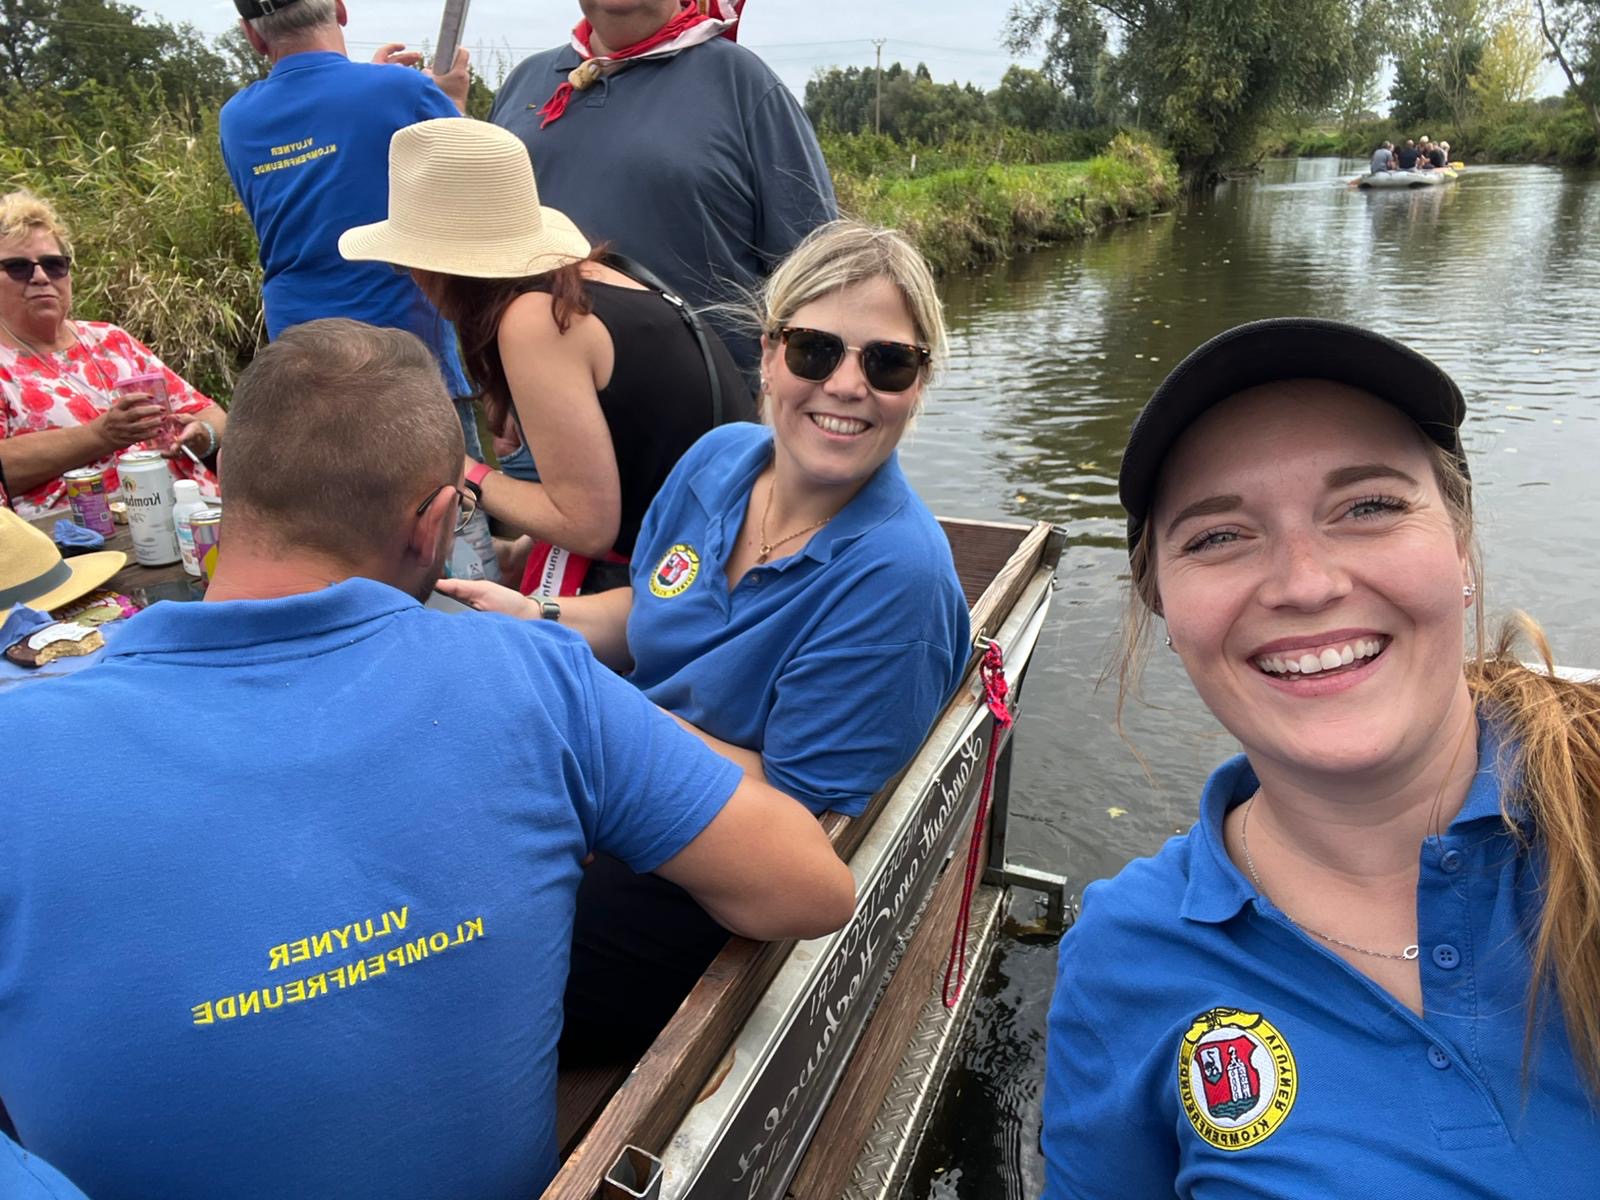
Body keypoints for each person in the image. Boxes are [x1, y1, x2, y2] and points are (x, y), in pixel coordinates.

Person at [0, 318, 855, 1200]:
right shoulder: (533, 680)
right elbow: (811, 888)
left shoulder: (20, 745)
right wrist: (607, 749)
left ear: (226, 492)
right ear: (438, 522)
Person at [1041, 318, 1600, 1198]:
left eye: (1368, 507)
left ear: (1460, 544)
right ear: (1165, 607)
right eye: (1218, 536)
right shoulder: (1126, 957)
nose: (1306, 584)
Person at [441, 219, 972, 1058]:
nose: (846, 385)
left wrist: (597, 737)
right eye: (814, 351)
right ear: (768, 355)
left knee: (460, 968)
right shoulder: (720, 460)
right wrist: (538, 620)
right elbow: (650, 612)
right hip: (611, 782)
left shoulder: (895, 577)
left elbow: (795, 807)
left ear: (918, 384)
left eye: (888, 363)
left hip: (713, 873)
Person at [339, 118, 754, 595]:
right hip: (723, 537)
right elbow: (634, 460)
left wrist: (458, 470)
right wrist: (524, 551)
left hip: (694, 579)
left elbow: (587, 525)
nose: (412, 278)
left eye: (406, 262)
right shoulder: (594, 278)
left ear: (445, 265)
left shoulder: (535, 320)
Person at [489, 0, 837, 378]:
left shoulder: (745, 86)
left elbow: (817, 279)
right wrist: (495, 386)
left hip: (707, 407)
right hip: (538, 398)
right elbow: (489, 260)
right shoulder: (525, 84)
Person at [219, 0, 486, 466]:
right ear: (340, 9)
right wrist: (451, 101)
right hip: (406, 352)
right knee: (453, 499)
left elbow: (329, 136)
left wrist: (374, 84)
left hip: (304, 358)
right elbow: (476, 193)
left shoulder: (236, 118)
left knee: (335, 502)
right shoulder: (400, 91)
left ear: (253, 35)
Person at [0, 189, 224, 519]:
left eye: (54, 264)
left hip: (191, 512)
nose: (40, 277)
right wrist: (99, 436)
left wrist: (203, 436)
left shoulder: (110, 339)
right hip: (78, 535)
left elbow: (211, 414)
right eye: (18, 267)